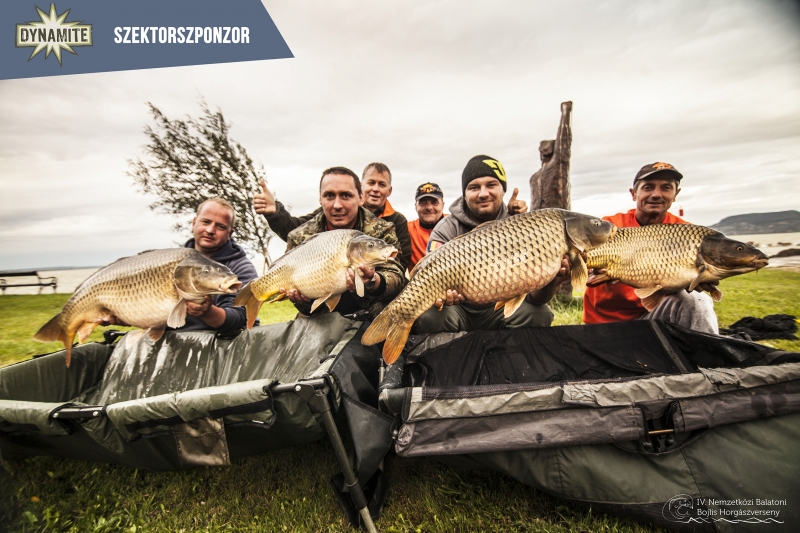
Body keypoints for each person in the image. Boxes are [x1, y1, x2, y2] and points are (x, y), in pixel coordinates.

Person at [412, 155, 570, 334]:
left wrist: (554, 279)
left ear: (503, 190)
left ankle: (509, 352)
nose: (483, 193)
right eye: (474, 187)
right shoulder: (445, 228)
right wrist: (442, 296)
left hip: (501, 309)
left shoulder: (523, 226)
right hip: (458, 310)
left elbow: (536, 299)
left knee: (539, 313)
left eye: (491, 185)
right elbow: (429, 279)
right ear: (464, 193)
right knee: (428, 316)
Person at [582, 162, 719, 334]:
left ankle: (707, 350)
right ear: (634, 194)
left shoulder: (688, 234)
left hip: (655, 317)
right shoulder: (609, 226)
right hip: (604, 323)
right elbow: (583, 270)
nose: (656, 194)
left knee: (698, 300)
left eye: (666, 188)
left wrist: (697, 281)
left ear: (675, 194)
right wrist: (589, 272)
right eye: (648, 187)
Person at [282, 166, 407, 317]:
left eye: (345, 196)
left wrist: (373, 281)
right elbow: (303, 305)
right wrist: (303, 301)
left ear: (361, 198)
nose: (337, 205)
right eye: (329, 196)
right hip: (320, 314)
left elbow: (397, 276)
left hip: (368, 309)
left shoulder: (382, 230)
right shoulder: (300, 237)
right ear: (320, 199)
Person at [252, 163, 412, 271]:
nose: (337, 205)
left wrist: (373, 280)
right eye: (371, 183)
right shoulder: (328, 212)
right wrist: (275, 213)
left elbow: (399, 262)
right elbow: (296, 231)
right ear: (362, 188)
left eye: (382, 184)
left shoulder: (394, 223)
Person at [181, 198, 259, 332]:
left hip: (223, 342)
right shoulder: (173, 263)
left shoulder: (241, 268)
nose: (210, 230)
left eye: (220, 226)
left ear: (230, 234)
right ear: (194, 223)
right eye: (205, 222)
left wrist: (207, 311)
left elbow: (241, 317)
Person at [407, 182, 446, 272]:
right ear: (415, 206)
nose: (429, 207)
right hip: (419, 279)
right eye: (423, 203)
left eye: (434, 202)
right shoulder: (407, 229)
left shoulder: (456, 225)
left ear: (443, 205)